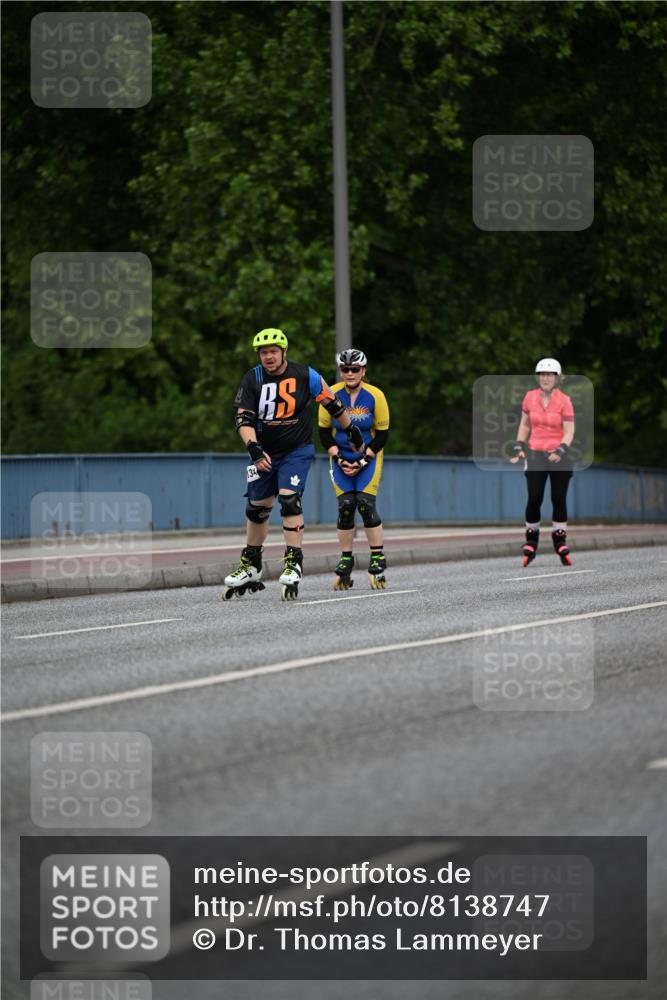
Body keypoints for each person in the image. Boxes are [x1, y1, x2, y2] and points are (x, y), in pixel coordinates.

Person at [224, 328, 364, 601]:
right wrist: (253, 448)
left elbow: (333, 404)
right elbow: (244, 420)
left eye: (274, 351)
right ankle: (251, 563)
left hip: (296, 450)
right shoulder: (252, 378)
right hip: (264, 452)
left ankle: (293, 561)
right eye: (264, 352)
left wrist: (351, 431)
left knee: (289, 500)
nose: (269, 357)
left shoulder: (305, 375)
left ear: (284, 352)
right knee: (257, 508)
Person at [318, 348, 390, 590]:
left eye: (354, 369)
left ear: (363, 371)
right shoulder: (330, 394)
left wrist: (362, 461)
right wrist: (339, 459)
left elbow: (382, 435)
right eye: (345, 369)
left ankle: (377, 556)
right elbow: (323, 432)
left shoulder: (375, 395)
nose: (349, 373)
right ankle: (346, 559)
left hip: (368, 456)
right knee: (346, 506)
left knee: (366, 505)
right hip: (340, 458)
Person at [510, 357, 575, 566]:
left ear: (558, 378)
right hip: (536, 453)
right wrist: (519, 446)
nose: (546, 378)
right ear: (538, 377)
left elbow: (569, 431)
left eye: (550, 375)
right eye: (542, 374)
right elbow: (525, 425)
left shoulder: (564, 401)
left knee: (558, 498)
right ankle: (531, 541)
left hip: (560, 455)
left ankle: (560, 541)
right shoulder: (530, 398)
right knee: (535, 497)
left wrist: (561, 449)